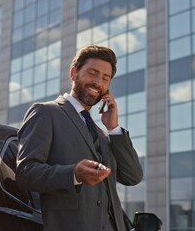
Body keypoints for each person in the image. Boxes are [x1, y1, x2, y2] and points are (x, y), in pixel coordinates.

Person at [16, 45, 143, 231]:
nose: (98, 82)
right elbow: (26, 173)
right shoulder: (45, 112)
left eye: (105, 79)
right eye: (92, 73)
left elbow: (133, 176)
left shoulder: (102, 134)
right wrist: (73, 174)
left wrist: (113, 128)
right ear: (74, 73)